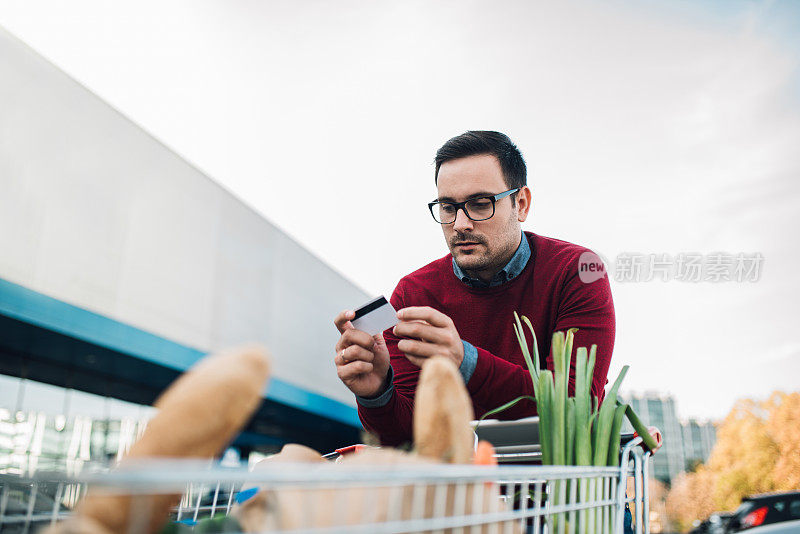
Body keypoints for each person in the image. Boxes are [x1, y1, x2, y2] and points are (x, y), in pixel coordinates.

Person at [333, 131, 615, 446]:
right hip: (456, 492)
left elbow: (575, 409)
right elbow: (408, 434)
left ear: (520, 204)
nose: (460, 224)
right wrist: (377, 392)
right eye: (448, 207)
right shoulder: (413, 293)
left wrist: (466, 361)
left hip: (558, 486)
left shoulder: (578, 271)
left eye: (480, 204)